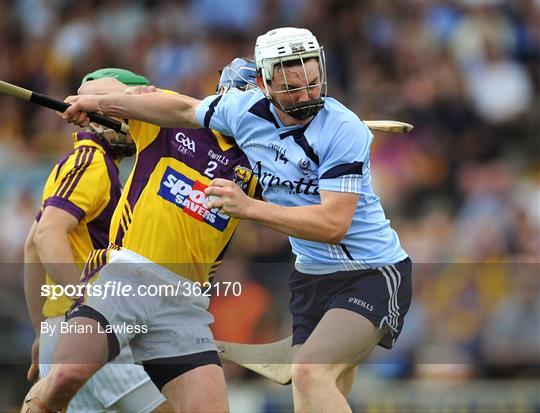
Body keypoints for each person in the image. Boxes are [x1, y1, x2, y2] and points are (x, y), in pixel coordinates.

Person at [62, 27, 413, 413]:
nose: (308, 97)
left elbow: (334, 225)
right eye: (293, 89)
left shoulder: (342, 130)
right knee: (317, 389)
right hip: (310, 277)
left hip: (372, 271)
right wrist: (98, 101)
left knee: (311, 372)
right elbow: (179, 108)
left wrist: (247, 207)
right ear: (263, 84)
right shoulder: (243, 114)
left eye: (314, 84)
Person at [23, 59, 260, 413]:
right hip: (129, 276)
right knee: (64, 378)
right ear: (222, 97)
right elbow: (90, 89)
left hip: (185, 301)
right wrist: (109, 99)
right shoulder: (169, 116)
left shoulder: (261, 164)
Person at [23, 69, 169, 413]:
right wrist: (86, 305)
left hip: (67, 330)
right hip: (90, 332)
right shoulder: (92, 162)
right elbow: (47, 235)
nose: (139, 128)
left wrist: (45, 329)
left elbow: (33, 244)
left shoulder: (93, 166)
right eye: (132, 118)